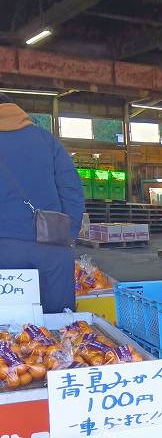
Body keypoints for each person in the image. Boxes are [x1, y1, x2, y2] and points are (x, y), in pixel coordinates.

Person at [0, 93, 83, 313]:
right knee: (60, 330)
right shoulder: (47, 141)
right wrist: (67, 237)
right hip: (51, 249)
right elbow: (72, 192)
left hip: (4, 250)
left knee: (10, 334)